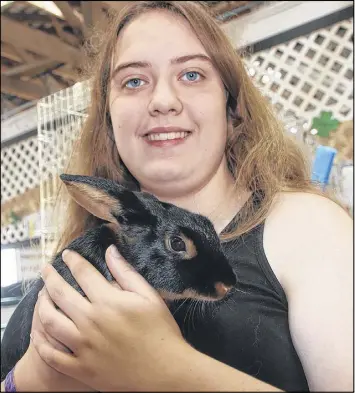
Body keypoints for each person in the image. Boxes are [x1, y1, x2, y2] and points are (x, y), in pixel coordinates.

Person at [1, 1, 353, 392]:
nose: (163, 100)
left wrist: (167, 367)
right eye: (134, 81)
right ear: (109, 122)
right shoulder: (80, 258)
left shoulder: (309, 229)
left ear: (231, 107)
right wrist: (32, 378)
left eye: (191, 74)